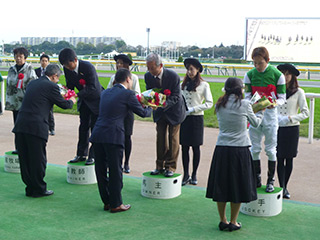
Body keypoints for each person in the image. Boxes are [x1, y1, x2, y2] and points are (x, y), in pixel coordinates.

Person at [206, 77, 264, 232]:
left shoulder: (220, 104)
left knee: (222, 185)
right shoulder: (245, 104)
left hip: (222, 148)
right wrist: (261, 112)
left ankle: (222, 220)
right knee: (238, 186)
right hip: (240, 149)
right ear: (240, 89)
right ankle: (234, 221)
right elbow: (256, 123)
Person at [90, 68, 151, 212]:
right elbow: (142, 113)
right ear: (128, 79)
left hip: (98, 134)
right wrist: (151, 106)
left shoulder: (104, 93)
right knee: (115, 170)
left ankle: (107, 201)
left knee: (100, 170)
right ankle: (116, 204)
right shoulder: (128, 94)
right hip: (114, 136)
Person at [12, 64, 76, 197]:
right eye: (57, 79)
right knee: (38, 160)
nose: (57, 81)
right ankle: (39, 189)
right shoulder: (51, 86)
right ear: (54, 76)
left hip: (21, 125)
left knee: (25, 159)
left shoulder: (32, 83)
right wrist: (71, 100)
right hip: (36, 127)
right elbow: (63, 105)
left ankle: (30, 188)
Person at [244, 46, 286, 193]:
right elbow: (247, 95)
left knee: (270, 150)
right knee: (254, 149)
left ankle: (270, 181)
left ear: (267, 60)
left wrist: (274, 103)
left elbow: (282, 98)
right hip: (255, 114)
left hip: (270, 116)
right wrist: (252, 103)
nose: (257, 66)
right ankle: (256, 179)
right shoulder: (249, 74)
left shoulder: (277, 75)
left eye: (260, 63)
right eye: (254, 63)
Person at [59, 48, 103, 165]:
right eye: (65, 66)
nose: (68, 68)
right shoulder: (66, 68)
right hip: (84, 102)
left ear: (75, 59)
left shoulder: (88, 67)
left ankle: (93, 155)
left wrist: (76, 95)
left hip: (95, 101)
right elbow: (70, 85)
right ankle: (81, 154)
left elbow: (93, 87)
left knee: (95, 128)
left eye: (69, 65)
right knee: (83, 127)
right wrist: (66, 93)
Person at [144, 53, 186, 177]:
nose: (149, 71)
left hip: (174, 111)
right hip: (159, 111)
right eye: (148, 68)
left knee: (173, 138)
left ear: (160, 65)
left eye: (152, 68)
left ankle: (171, 167)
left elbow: (176, 96)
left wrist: (164, 104)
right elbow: (150, 93)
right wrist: (149, 102)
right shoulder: (148, 76)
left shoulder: (173, 76)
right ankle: (159, 166)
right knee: (160, 138)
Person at [276, 64, 309, 199]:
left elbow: (305, 112)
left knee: (289, 159)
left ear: (293, 76)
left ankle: (285, 186)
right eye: (283, 73)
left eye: (288, 74)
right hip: (277, 128)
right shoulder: (276, 91)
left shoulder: (298, 92)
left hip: (291, 128)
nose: (285, 76)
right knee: (278, 158)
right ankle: (280, 185)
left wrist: (291, 118)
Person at [180, 58, 213, 185]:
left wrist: (194, 109)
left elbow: (209, 103)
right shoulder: (182, 84)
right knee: (184, 147)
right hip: (185, 118)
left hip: (196, 118)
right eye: (188, 69)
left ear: (198, 70)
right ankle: (186, 174)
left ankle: (194, 174)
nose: (189, 72)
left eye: (192, 69)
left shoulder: (204, 85)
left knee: (195, 147)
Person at [107, 54, 141, 173]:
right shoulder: (113, 77)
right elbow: (108, 91)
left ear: (127, 65)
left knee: (127, 137)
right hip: (115, 112)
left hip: (127, 112)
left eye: (121, 63)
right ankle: (116, 162)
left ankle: (126, 163)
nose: (118, 65)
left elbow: (137, 94)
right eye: (117, 63)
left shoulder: (134, 77)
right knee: (115, 137)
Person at [5, 47, 37, 154]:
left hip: (25, 104)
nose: (18, 59)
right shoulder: (11, 69)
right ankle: (18, 148)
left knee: (26, 127)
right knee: (17, 127)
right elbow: (9, 85)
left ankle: (27, 148)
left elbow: (33, 86)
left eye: (20, 56)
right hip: (15, 103)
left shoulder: (30, 69)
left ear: (25, 57)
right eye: (16, 56)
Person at [35, 54, 55, 136]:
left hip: (48, 94)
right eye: (42, 61)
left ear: (48, 62)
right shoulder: (36, 71)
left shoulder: (51, 72)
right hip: (38, 94)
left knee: (49, 112)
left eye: (46, 61)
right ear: (40, 61)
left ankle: (52, 128)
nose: (44, 62)